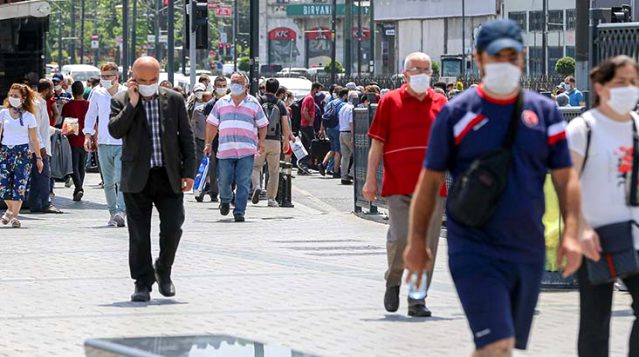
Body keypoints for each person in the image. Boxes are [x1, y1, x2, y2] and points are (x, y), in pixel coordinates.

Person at [403, 20, 582, 355]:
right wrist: (416, 243)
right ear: (479, 59)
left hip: (527, 248)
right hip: (474, 247)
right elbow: (428, 184)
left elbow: (565, 178)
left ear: (523, 58)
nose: (505, 62)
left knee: (501, 346)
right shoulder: (457, 113)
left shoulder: (545, 112)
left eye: (512, 55)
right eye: (496, 55)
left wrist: (572, 232)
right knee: (496, 343)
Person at [362, 52, 448, 317]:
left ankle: (417, 298)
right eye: (416, 69)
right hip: (398, 185)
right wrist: (369, 181)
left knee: (427, 245)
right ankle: (394, 280)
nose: (421, 74)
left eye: (426, 70)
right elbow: (377, 143)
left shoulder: (441, 102)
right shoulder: (390, 101)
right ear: (405, 73)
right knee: (399, 238)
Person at [566, 55, 639, 357]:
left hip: (634, 235)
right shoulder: (584, 128)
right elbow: (566, 182)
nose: (629, 88)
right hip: (595, 237)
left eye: (634, 82)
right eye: (620, 82)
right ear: (600, 86)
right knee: (596, 322)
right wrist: (579, 229)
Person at [109, 56, 196, 302]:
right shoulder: (121, 100)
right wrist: (133, 104)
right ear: (132, 78)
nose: (148, 84)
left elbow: (186, 138)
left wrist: (189, 172)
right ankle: (142, 282)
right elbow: (115, 130)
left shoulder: (174, 99)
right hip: (137, 176)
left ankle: (164, 269)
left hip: (168, 175)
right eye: (142, 80)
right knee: (138, 233)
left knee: (173, 226)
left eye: (153, 80)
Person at [204, 72, 268, 222]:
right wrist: (208, 143)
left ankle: (239, 211)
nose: (235, 85)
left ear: (246, 86)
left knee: (243, 181)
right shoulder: (221, 103)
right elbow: (212, 124)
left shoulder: (253, 103)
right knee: (224, 180)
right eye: (233, 82)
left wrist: (262, 141)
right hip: (225, 150)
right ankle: (225, 200)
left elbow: (263, 124)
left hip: (246, 150)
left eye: (239, 82)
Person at [84, 62, 128, 227]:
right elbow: (91, 115)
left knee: (120, 178)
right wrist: (88, 135)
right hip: (103, 142)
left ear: (116, 77)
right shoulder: (97, 93)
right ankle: (112, 212)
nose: (105, 79)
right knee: (108, 181)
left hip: (122, 142)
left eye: (108, 76)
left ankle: (121, 211)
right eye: (102, 76)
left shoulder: (126, 93)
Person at [0, 84, 44, 228]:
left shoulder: (29, 117)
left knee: (20, 185)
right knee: (3, 186)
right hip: (5, 152)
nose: (12, 98)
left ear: (23, 99)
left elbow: (34, 139)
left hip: (23, 153)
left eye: (16, 96)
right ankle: (10, 210)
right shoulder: (3, 113)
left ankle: (14, 216)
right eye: (11, 95)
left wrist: (39, 158)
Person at [251, 78, 292, 207]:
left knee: (256, 167)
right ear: (277, 89)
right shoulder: (280, 104)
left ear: (266, 87)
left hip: (259, 139)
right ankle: (271, 199)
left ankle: (257, 186)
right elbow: (285, 124)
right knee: (274, 171)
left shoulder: (258, 101)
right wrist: (286, 140)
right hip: (275, 141)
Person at [28, 79, 62, 214]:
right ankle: (45, 203)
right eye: (52, 89)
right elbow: (34, 129)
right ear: (47, 90)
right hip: (39, 147)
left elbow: (43, 127)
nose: (53, 92)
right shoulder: (36, 104)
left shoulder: (41, 103)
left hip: (40, 144)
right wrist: (41, 149)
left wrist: (58, 131)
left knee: (38, 177)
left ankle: (35, 204)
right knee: (44, 176)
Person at [200, 75, 229, 202]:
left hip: (227, 140)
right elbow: (208, 125)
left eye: (224, 86)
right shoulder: (210, 105)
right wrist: (208, 143)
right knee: (213, 167)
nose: (222, 88)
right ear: (215, 87)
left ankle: (227, 191)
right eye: (219, 86)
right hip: (214, 140)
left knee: (227, 168)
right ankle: (214, 192)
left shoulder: (230, 103)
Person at [61, 81, 89, 201]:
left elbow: (65, 122)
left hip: (72, 138)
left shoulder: (68, 105)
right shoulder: (89, 104)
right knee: (82, 165)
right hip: (85, 137)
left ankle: (78, 187)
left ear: (72, 92)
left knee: (73, 165)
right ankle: (79, 187)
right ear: (83, 91)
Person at [318, 87, 347, 178]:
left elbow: (324, 116)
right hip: (337, 128)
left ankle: (323, 164)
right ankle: (335, 171)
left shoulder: (331, 103)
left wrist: (322, 129)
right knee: (338, 151)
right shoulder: (343, 104)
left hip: (329, 128)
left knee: (333, 149)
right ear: (345, 95)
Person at [189, 83, 210, 202]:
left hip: (212, 141)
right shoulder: (197, 109)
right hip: (199, 140)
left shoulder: (214, 107)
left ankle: (209, 186)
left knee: (211, 166)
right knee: (200, 165)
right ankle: (199, 189)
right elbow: (192, 124)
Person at [299, 82, 323, 173]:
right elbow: (305, 111)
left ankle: (302, 165)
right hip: (307, 125)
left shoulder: (309, 98)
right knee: (311, 146)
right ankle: (304, 164)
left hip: (305, 125)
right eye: (319, 90)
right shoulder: (309, 98)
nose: (319, 92)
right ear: (315, 89)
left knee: (305, 145)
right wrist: (310, 122)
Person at [338, 91, 358, 185]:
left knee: (345, 157)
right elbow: (351, 123)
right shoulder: (352, 108)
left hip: (342, 132)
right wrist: (354, 135)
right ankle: (351, 173)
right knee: (358, 155)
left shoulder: (343, 107)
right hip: (349, 133)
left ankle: (344, 177)